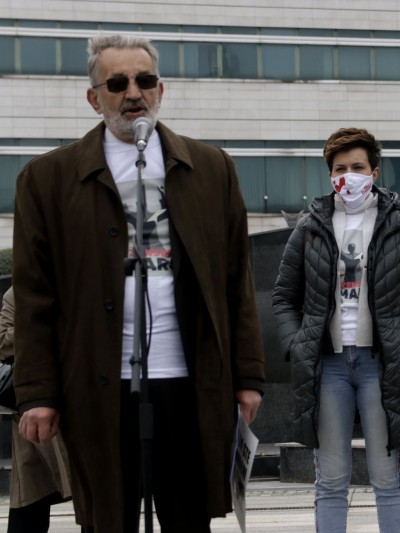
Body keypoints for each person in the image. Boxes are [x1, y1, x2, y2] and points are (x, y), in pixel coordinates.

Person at [12, 34, 265, 532]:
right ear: (94, 97)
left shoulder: (211, 169)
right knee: (108, 518)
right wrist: (37, 391)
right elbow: (34, 297)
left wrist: (249, 376)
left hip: (190, 379)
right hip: (97, 383)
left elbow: (237, 282)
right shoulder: (47, 179)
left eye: (144, 81)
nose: (134, 93)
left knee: (189, 518)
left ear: (160, 89)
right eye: (118, 82)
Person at [272, 127, 400, 533]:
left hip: (380, 366)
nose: (349, 176)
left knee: (387, 479)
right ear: (330, 175)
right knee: (330, 480)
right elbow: (283, 295)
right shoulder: (311, 226)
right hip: (327, 367)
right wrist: (297, 346)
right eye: (340, 168)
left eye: (358, 167)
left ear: (375, 172)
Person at [0, 287, 72, 533]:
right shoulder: (16, 294)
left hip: (78, 399)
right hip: (34, 404)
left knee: (94, 500)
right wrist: (36, 324)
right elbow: (2, 342)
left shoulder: (75, 280)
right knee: (30, 499)